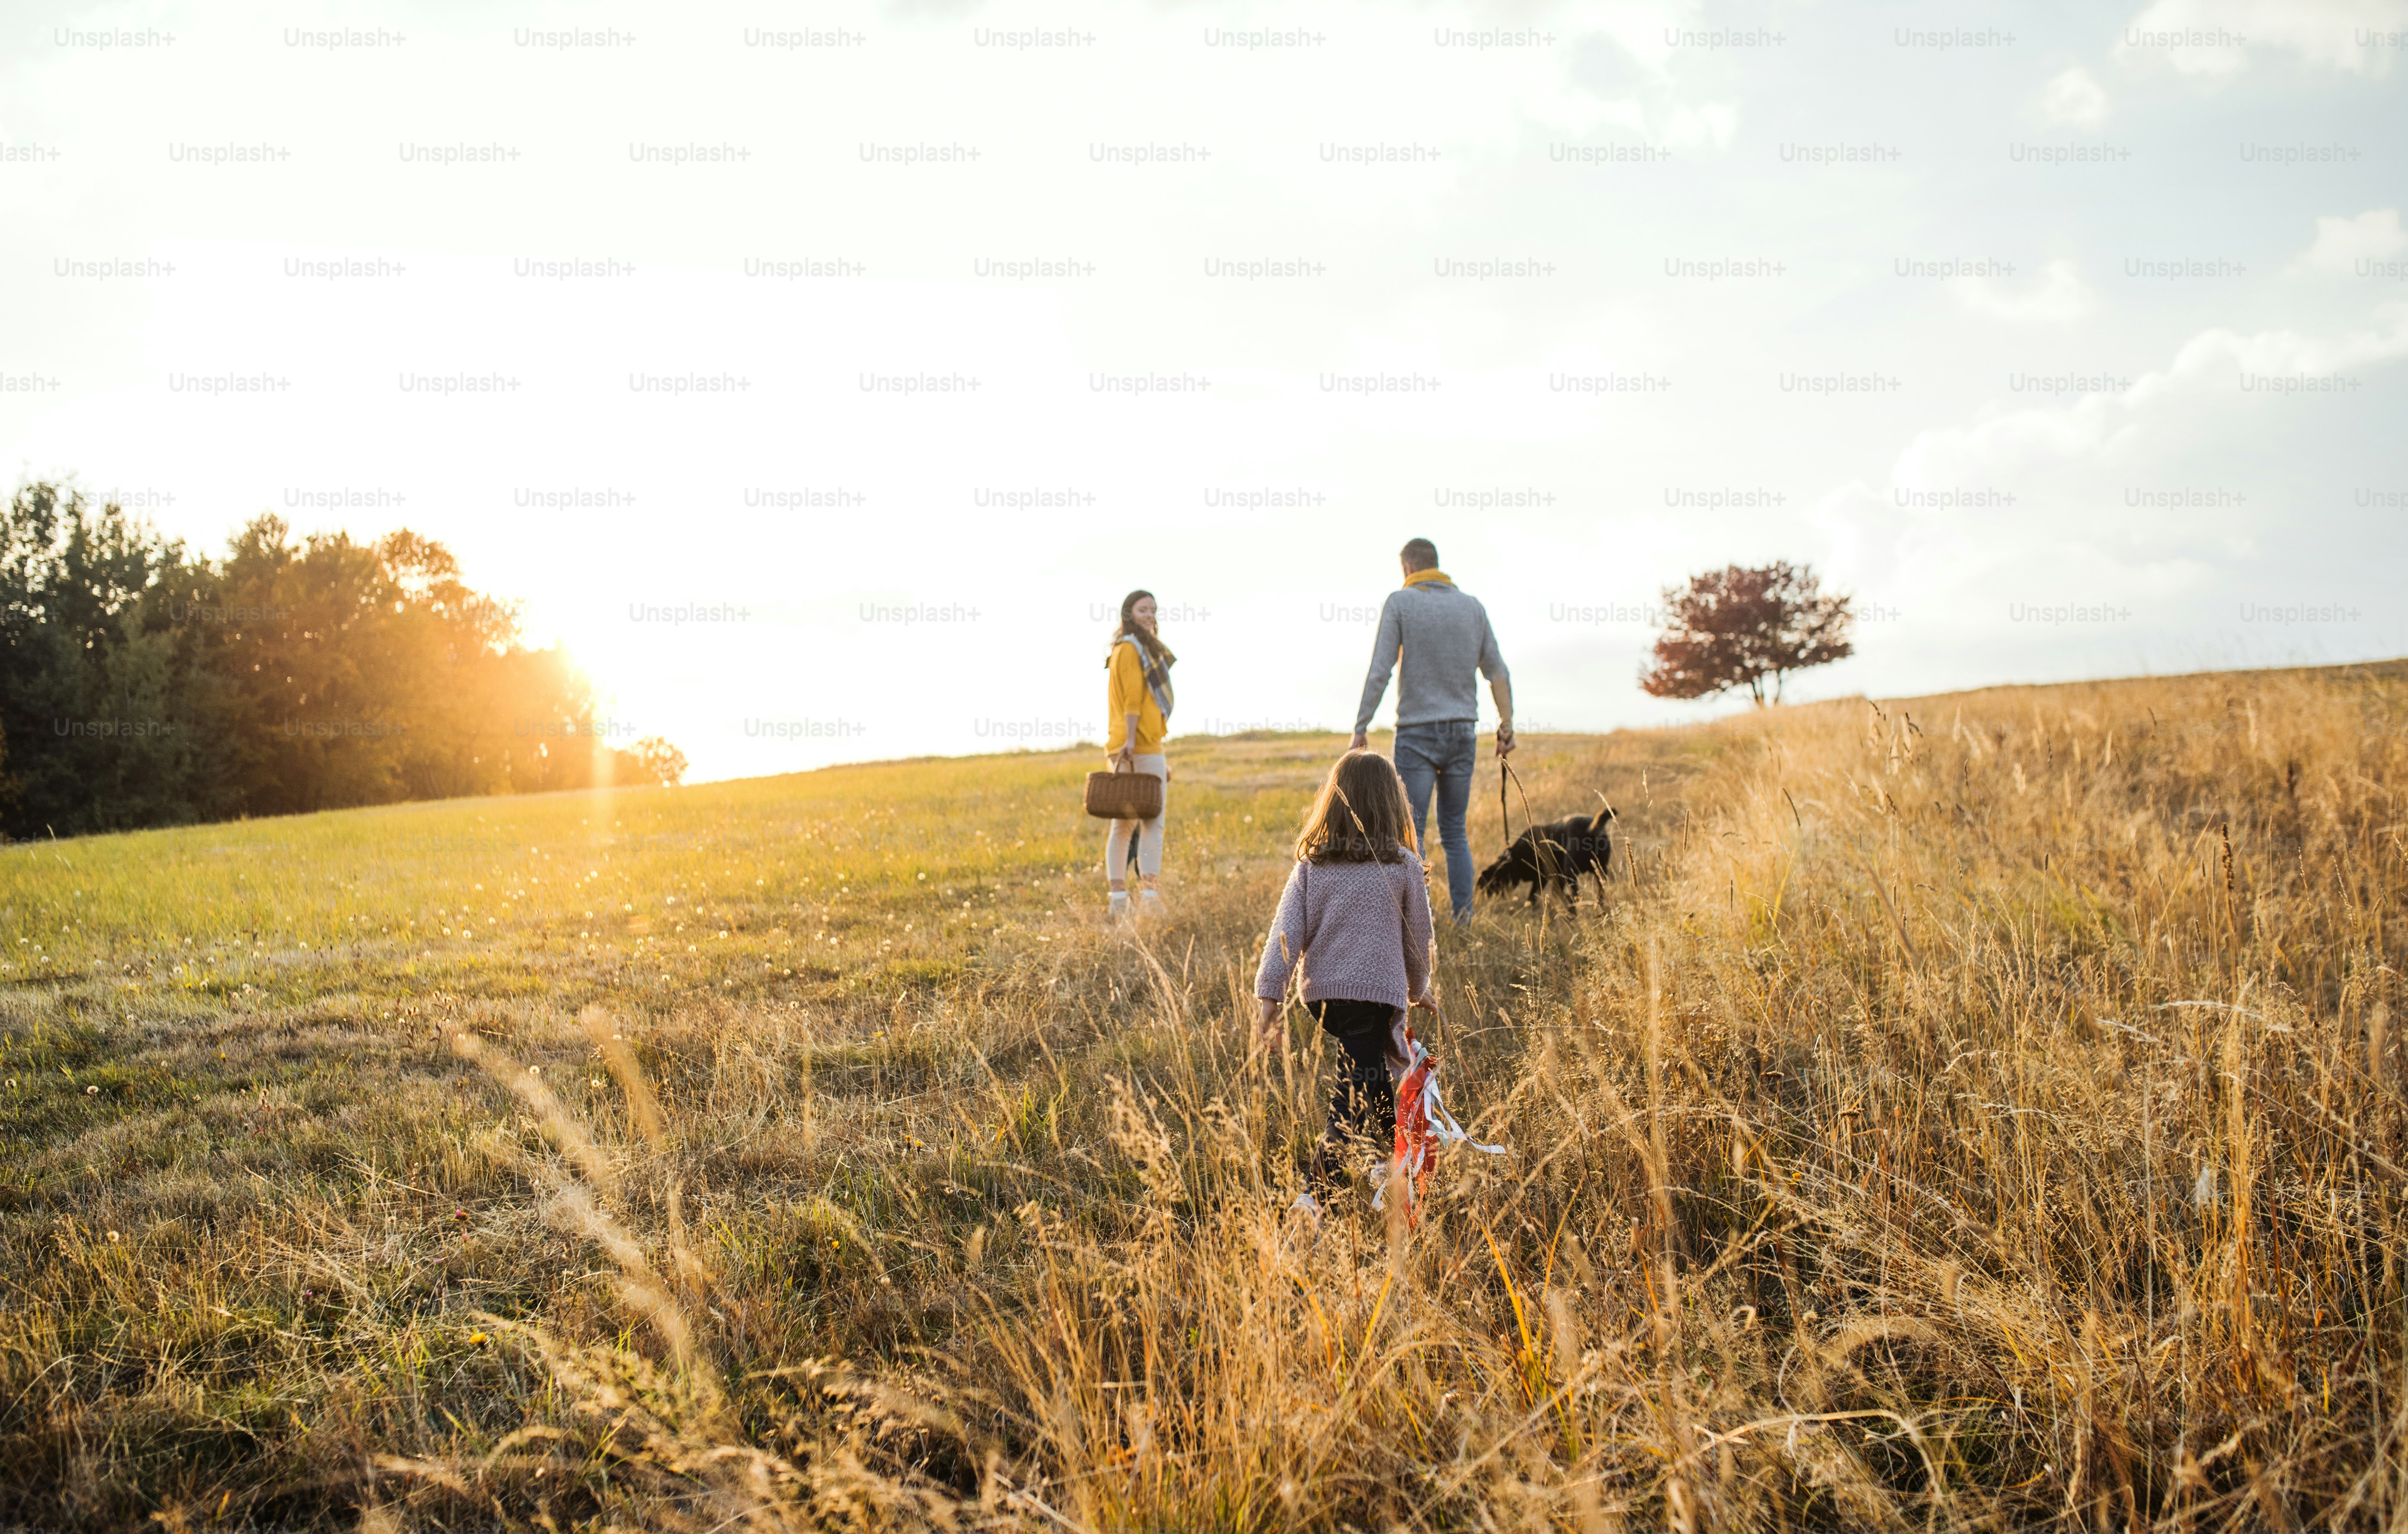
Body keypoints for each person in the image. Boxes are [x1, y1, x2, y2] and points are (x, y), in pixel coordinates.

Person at [1252, 750, 1438, 1218]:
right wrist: (1420, 988)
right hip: (1374, 995)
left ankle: (1382, 1161)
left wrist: (1270, 996)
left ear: (1334, 803)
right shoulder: (1403, 865)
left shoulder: (1315, 865)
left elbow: (1285, 933)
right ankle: (1314, 1197)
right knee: (1349, 1096)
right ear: (1393, 804)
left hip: (1326, 998)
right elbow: (1419, 939)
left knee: (1368, 1069)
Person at [1348, 538, 1513, 924]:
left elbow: (1380, 670)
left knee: (1411, 832)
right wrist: (1506, 726)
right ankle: (1463, 918)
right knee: (1455, 830)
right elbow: (1498, 672)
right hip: (1462, 731)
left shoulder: (1400, 602)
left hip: (1417, 733)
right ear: (1436, 565)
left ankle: (1417, 924)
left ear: (1407, 568)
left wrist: (1361, 725)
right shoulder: (1472, 607)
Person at [1103, 589, 1175, 919]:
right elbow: (1133, 699)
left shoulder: (1122, 648)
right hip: (1138, 745)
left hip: (1132, 744)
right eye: (1143, 609)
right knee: (1152, 823)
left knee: (1123, 824)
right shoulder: (1134, 649)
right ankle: (1148, 896)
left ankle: (1119, 900)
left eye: (1154, 610)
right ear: (1129, 613)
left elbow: (1140, 704)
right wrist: (1132, 742)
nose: (1150, 614)